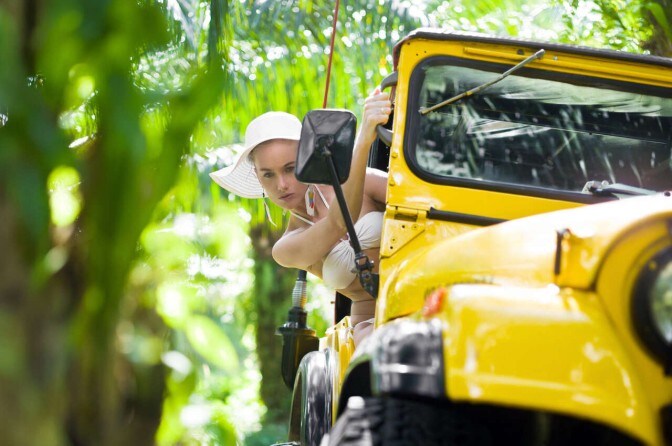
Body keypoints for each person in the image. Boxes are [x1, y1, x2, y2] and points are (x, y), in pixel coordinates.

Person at [210, 89, 392, 344]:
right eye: (268, 174)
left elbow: (426, 201)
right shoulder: (285, 248)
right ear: (258, 178)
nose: (281, 185)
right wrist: (363, 141)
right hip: (371, 324)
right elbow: (338, 224)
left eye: (290, 168)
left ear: (308, 159)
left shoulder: (364, 181)